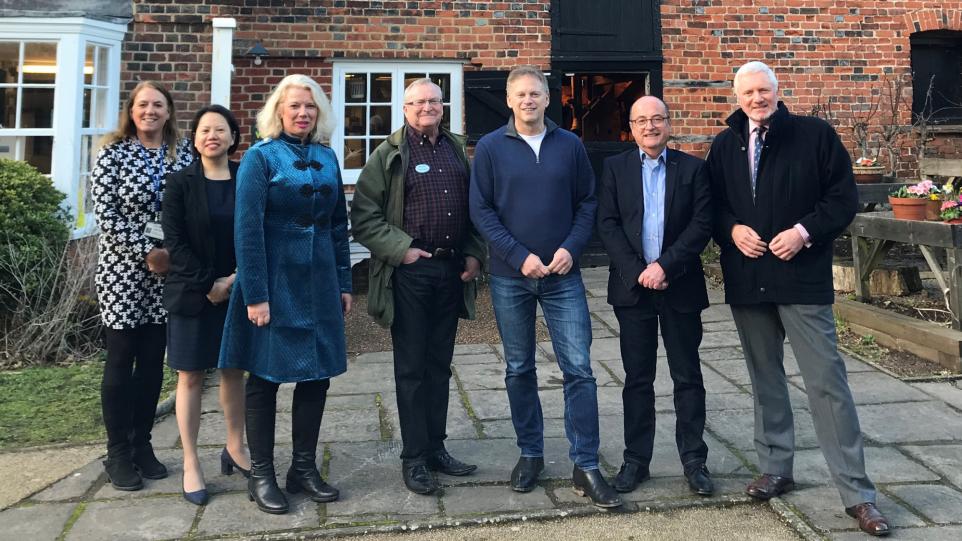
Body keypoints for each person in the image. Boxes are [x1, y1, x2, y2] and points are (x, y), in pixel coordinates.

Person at [706, 61, 889, 536]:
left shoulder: (815, 135)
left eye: (763, 90)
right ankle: (776, 467)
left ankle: (857, 494)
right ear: (736, 95)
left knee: (827, 383)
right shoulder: (725, 144)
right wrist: (731, 229)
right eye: (747, 92)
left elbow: (843, 198)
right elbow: (713, 205)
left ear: (777, 91)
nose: (756, 99)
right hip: (749, 278)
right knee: (765, 379)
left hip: (801, 278)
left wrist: (804, 232)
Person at [469, 65, 621, 508]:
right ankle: (530, 454)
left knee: (579, 370)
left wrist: (572, 248)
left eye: (535, 93)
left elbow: (587, 201)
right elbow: (481, 211)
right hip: (510, 276)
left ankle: (586, 463)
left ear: (547, 99)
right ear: (509, 99)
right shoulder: (492, 149)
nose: (528, 100)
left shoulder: (569, 145)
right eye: (520, 94)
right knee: (519, 368)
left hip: (562, 275)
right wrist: (519, 256)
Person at [218, 74, 352, 515]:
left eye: (310, 107)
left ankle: (303, 468)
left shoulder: (327, 156)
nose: (302, 113)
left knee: (317, 375)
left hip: (320, 284)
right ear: (278, 111)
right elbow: (247, 231)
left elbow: (337, 225)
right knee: (266, 377)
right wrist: (255, 294)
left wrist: (344, 282)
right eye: (294, 106)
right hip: (273, 285)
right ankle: (261, 474)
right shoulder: (260, 158)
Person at [351, 79, 485, 495]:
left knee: (439, 365)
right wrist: (403, 250)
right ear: (404, 109)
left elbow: (477, 208)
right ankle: (414, 458)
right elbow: (364, 217)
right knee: (411, 368)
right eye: (417, 102)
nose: (427, 107)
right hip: (410, 272)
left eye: (433, 100)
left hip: (450, 270)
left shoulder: (457, 149)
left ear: (443, 107)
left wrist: (475, 253)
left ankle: (436, 448)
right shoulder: (388, 154)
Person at [595, 96, 714, 497]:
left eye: (657, 119)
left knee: (688, 376)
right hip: (632, 290)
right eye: (641, 120)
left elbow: (702, 224)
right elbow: (607, 225)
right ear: (630, 126)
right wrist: (638, 271)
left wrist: (665, 265)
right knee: (637, 379)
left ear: (668, 123)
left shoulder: (694, 169)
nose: (650, 126)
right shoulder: (613, 168)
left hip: (679, 285)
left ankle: (695, 460)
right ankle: (636, 461)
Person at [92, 81, 192, 491]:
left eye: (158, 105)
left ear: (169, 111)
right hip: (122, 272)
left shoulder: (183, 154)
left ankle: (143, 444)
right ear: (131, 111)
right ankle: (117, 451)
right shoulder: (111, 154)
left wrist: (173, 253)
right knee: (121, 358)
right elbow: (105, 213)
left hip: (168, 272)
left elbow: (192, 204)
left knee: (153, 362)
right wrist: (145, 252)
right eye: (142, 105)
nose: (150, 111)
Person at [161, 104, 250, 505]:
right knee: (191, 376)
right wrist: (208, 284)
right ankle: (191, 462)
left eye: (220, 129)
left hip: (236, 288)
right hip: (192, 294)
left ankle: (236, 447)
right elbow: (175, 243)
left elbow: (255, 233)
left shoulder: (247, 180)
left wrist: (231, 281)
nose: (211, 135)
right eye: (203, 130)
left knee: (234, 371)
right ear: (194, 139)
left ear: (233, 137)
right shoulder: (179, 183)